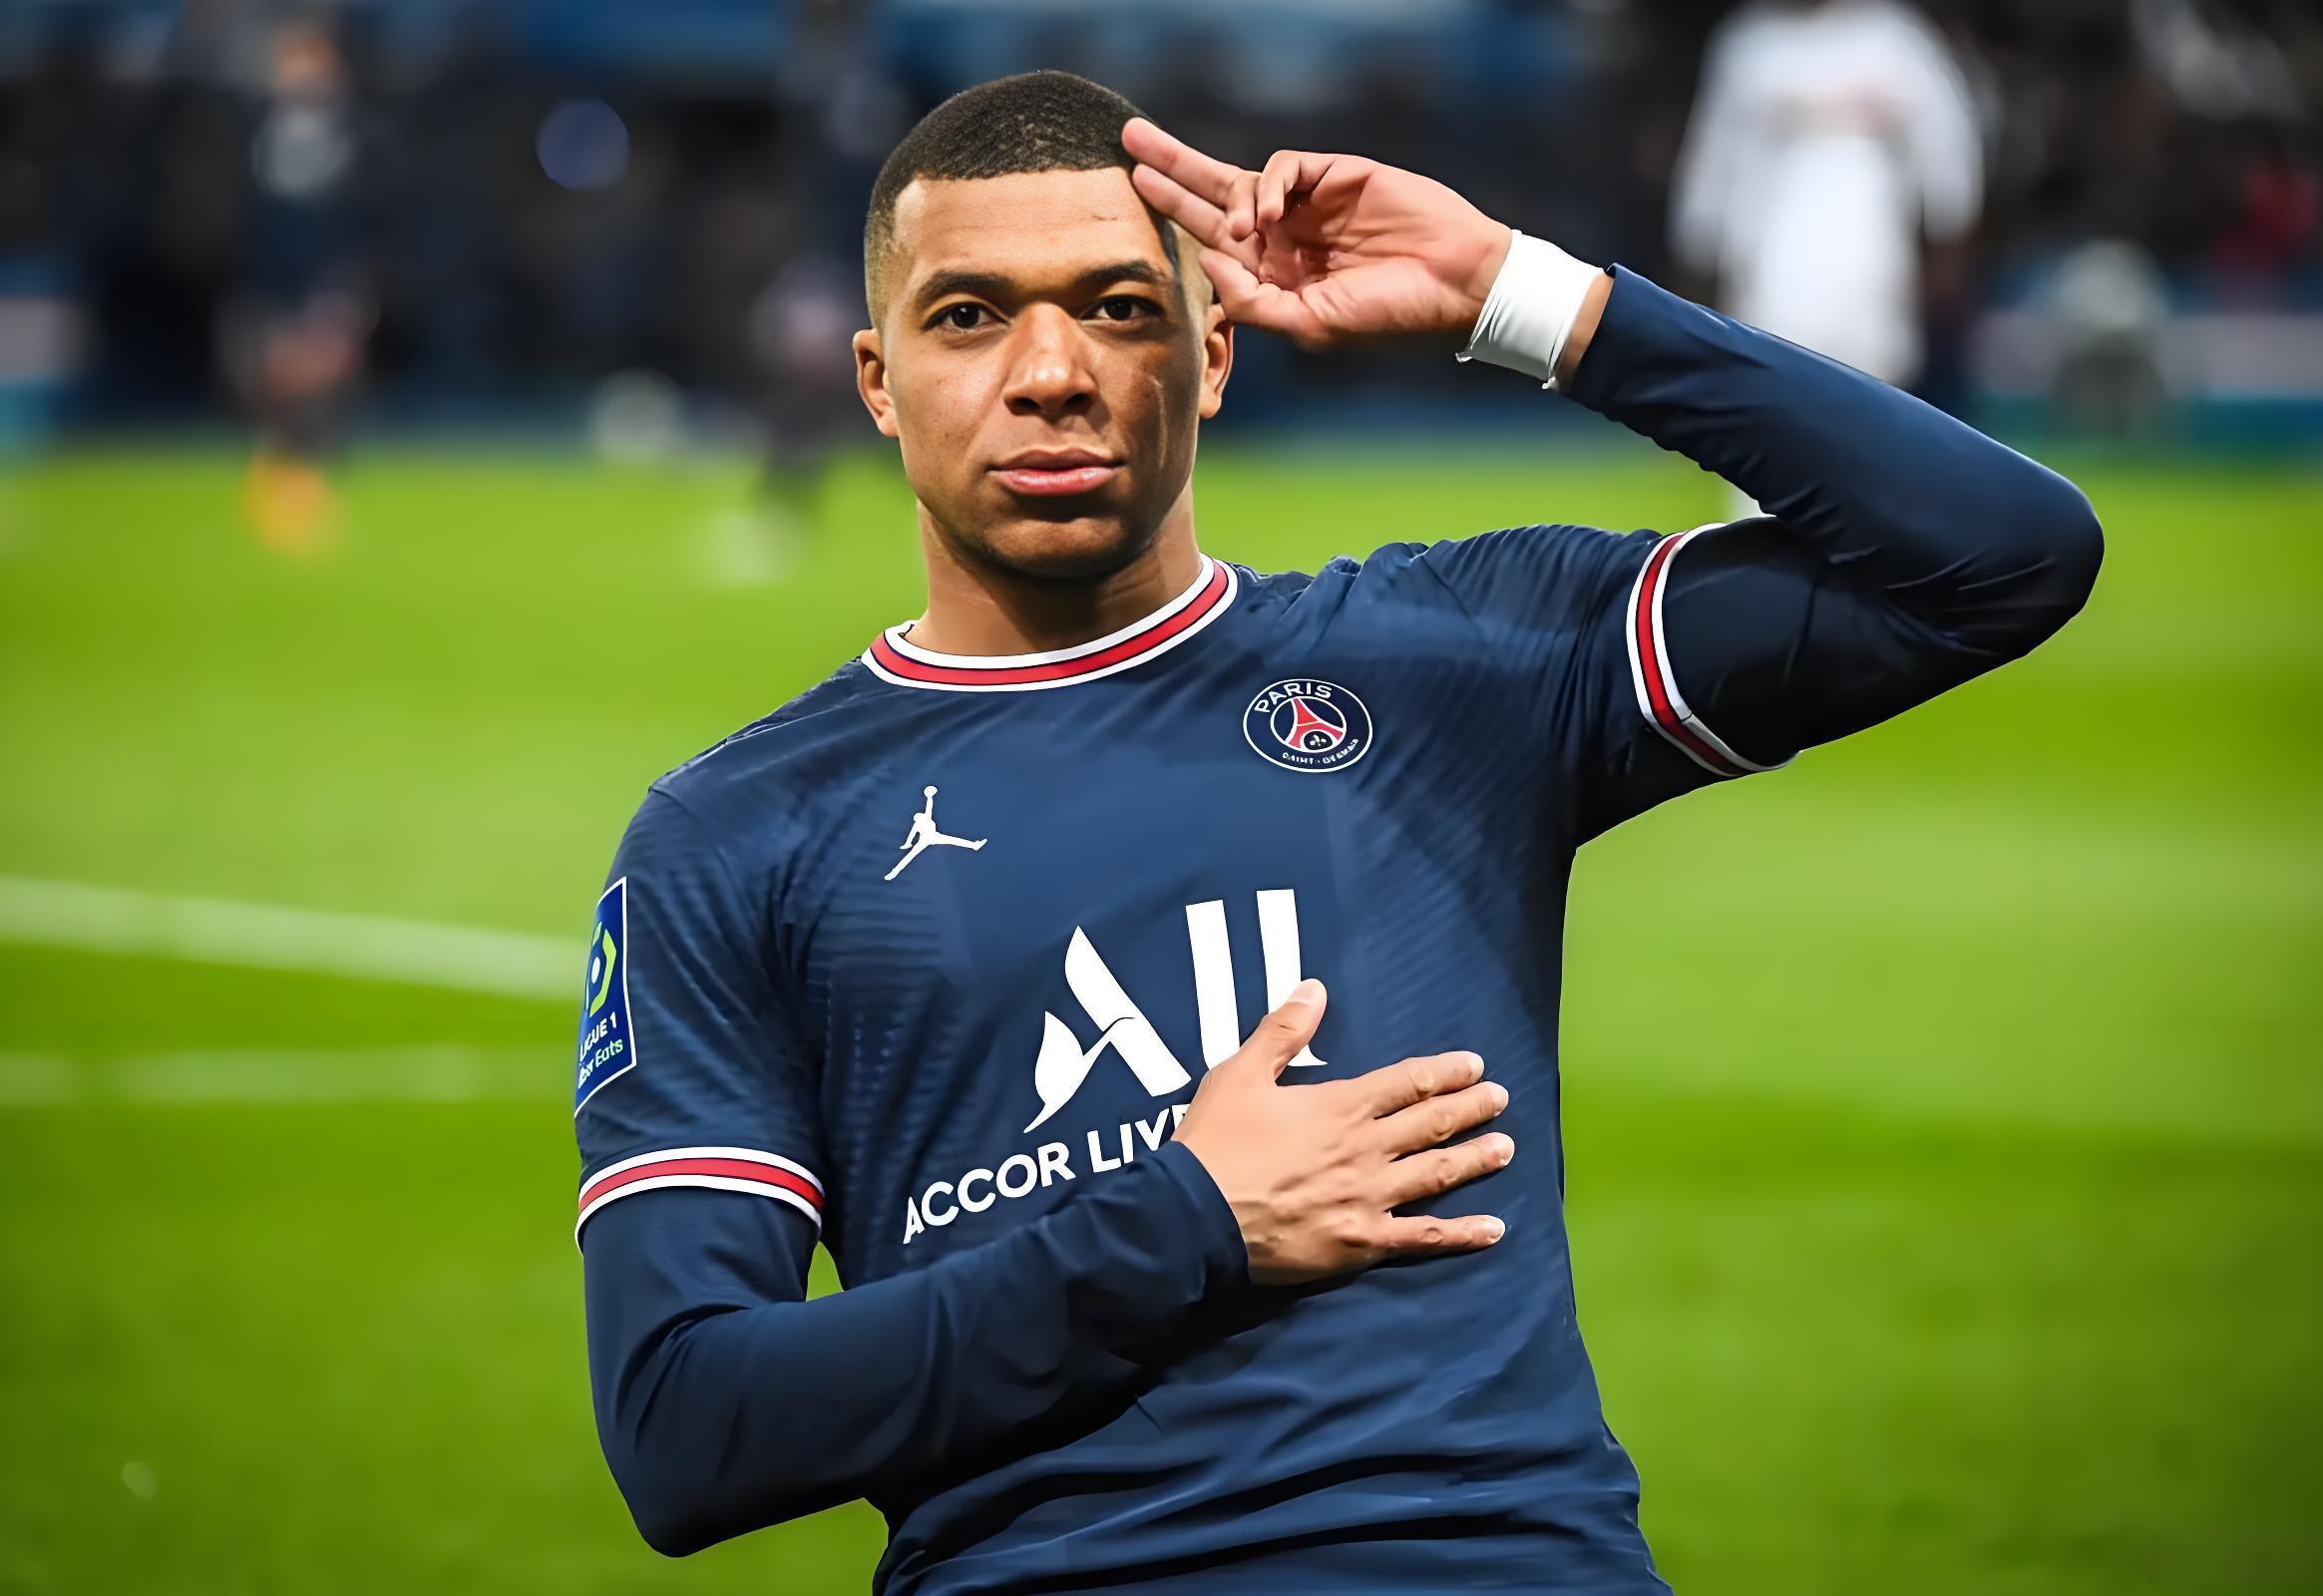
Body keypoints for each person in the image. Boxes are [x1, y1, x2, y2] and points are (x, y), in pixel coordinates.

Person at [573, 70, 2100, 1595]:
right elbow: (685, 1431)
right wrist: (1185, 1224)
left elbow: (2002, 559)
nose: (1049, 372)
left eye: (1118, 308)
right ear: (876, 379)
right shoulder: (733, 837)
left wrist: (1519, 295)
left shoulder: (1455, 657)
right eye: (969, 316)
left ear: (1212, 354)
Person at [1673, 0, 1981, 514]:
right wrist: (1700, 242)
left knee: (1871, 401)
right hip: (1772, 252)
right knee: (1764, 395)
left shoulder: (1893, 40)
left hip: (1869, 249)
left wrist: (1948, 230)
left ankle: (1866, 538)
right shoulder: (1751, 43)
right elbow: (1716, 149)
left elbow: (1946, 137)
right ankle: (1753, 539)